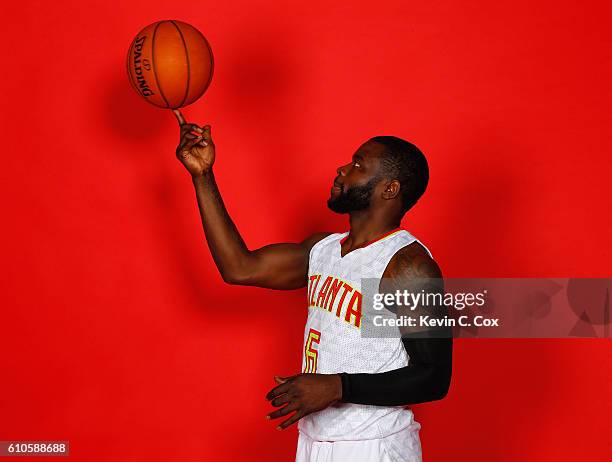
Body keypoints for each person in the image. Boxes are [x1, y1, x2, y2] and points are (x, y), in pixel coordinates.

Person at [172, 110, 452, 462]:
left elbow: (434, 377)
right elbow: (239, 268)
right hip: (315, 440)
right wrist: (203, 175)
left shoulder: (407, 264)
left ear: (389, 188)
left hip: (374, 445)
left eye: (358, 164)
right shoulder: (323, 250)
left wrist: (339, 386)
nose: (342, 170)